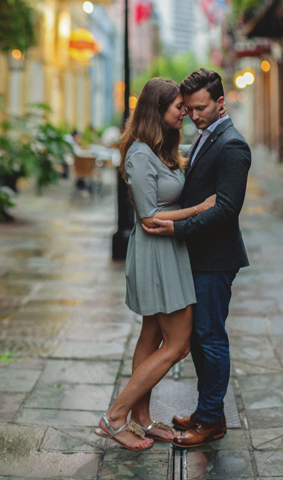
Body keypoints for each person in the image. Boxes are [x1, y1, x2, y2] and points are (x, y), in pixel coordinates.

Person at [95, 77, 218, 450]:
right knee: (178, 344)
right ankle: (115, 417)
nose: (184, 112)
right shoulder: (138, 154)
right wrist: (201, 207)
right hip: (155, 251)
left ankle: (142, 419)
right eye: (179, 107)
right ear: (157, 109)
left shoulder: (159, 149)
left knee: (152, 334)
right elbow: (150, 217)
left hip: (170, 250)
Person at [144, 68, 251, 449]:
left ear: (221, 103)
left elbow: (226, 209)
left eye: (201, 107)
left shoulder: (233, 145)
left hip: (215, 258)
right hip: (198, 256)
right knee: (200, 336)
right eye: (188, 109)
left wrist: (177, 229)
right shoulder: (206, 137)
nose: (193, 115)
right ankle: (210, 412)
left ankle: (209, 420)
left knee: (210, 337)